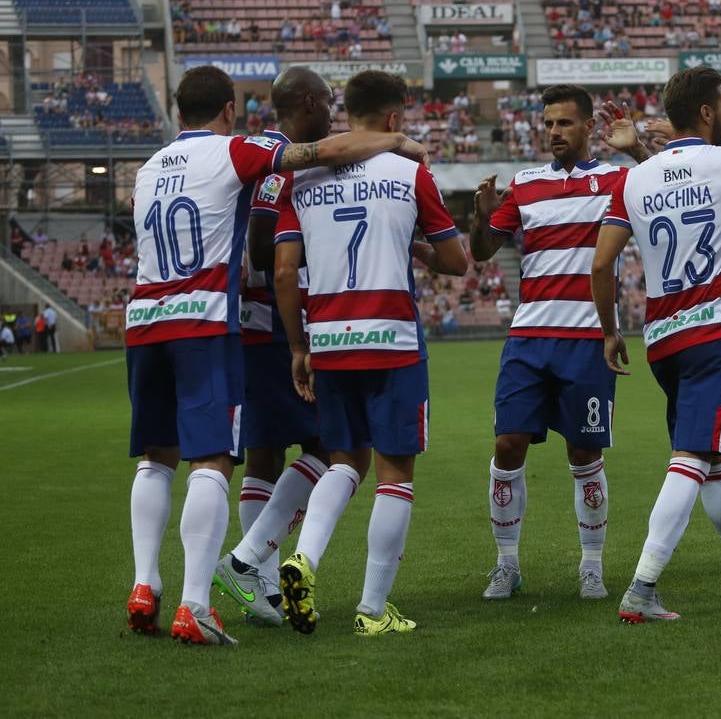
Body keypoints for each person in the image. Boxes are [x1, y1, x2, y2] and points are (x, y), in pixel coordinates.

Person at [124, 65, 427, 646]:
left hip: (147, 320)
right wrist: (393, 142)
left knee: (168, 457)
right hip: (222, 322)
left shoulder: (147, 168)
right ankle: (226, 577)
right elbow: (267, 240)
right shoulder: (252, 153)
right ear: (231, 109)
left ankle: (153, 584)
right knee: (265, 454)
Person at [591, 66, 721, 623]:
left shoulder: (631, 180)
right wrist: (672, 139)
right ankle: (642, 586)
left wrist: (611, 330)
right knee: (692, 458)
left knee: (714, 460)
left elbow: (601, 261)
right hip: (711, 331)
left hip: (661, 339)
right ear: (707, 113)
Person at [273, 71, 468, 637]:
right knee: (395, 474)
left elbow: (285, 270)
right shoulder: (409, 171)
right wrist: (414, 246)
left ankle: (302, 559)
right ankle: (372, 608)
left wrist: (298, 345)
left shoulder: (301, 178)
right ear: (393, 119)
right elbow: (456, 261)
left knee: (343, 461)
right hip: (392, 337)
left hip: (330, 337)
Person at [469, 86, 655, 601]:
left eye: (565, 124)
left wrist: (636, 148)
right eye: (548, 123)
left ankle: (591, 565)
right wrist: (481, 215)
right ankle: (506, 563)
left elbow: (675, 179)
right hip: (529, 337)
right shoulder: (525, 185)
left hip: (588, 340)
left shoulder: (620, 180)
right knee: (508, 446)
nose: (554, 132)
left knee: (584, 453)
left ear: (588, 126)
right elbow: (484, 252)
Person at [211, 68, 336, 627]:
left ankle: (256, 584)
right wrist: (323, 253)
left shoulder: (259, 150)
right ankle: (247, 561)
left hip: (250, 325)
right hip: (268, 327)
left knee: (265, 452)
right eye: (329, 101)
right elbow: (264, 245)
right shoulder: (279, 157)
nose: (333, 109)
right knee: (330, 445)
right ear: (310, 103)